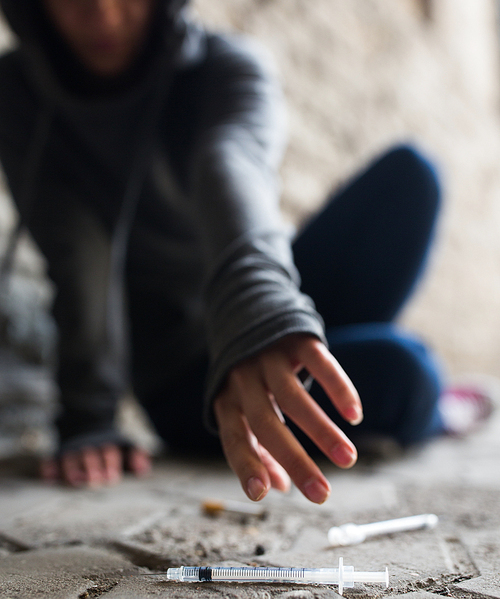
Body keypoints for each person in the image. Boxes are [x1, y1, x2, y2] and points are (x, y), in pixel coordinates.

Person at [0, 0, 471, 501]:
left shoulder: (228, 65)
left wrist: (259, 312)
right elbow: (76, 251)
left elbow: (230, 162)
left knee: (411, 177)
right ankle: (426, 402)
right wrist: (87, 419)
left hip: (252, 290)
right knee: (409, 374)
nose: (103, 14)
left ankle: (295, 344)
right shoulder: (17, 93)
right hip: (190, 377)